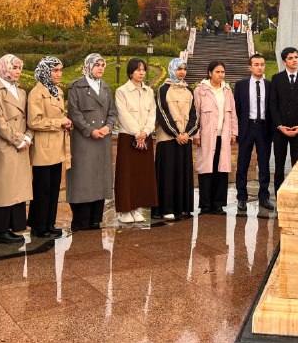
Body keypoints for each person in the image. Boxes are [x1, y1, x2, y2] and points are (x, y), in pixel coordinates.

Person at [0, 54, 32, 244]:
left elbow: (28, 118)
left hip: (21, 143)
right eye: (14, 68)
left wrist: (28, 136)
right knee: (2, 188)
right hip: (5, 145)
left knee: (16, 187)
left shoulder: (21, 91)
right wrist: (18, 139)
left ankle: (13, 225)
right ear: (4, 68)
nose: (18, 72)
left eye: (19, 68)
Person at [67, 53, 118, 231]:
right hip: (84, 140)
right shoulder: (76, 86)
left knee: (100, 178)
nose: (101, 68)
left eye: (103, 65)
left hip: (103, 139)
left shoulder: (105, 87)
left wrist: (108, 127)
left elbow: (112, 112)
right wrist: (90, 130)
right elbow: (74, 113)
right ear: (88, 66)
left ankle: (96, 219)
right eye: (97, 65)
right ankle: (81, 220)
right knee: (83, 178)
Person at [27, 57, 71, 237]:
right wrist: (59, 122)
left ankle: (50, 223)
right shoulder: (36, 93)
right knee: (42, 188)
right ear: (45, 71)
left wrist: (66, 123)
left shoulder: (58, 91)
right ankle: (39, 226)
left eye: (60, 70)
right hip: (44, 147)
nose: (59, 74)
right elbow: (34, 121)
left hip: (57, 146)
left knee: (53, 188)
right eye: (55, 70)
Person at [115, 58, 158, 223]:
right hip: (128, 137)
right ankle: (124, 210)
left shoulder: (149, 91)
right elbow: (123, 114)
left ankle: (138, 208)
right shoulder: (122, 91)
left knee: (143, 174)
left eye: (143, 69)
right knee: (127, 174)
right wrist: (137, 132)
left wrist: (146, 131)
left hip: (145, 137)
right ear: (130, 72)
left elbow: (152, 113)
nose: (141, 72)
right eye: (137, 69)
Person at [155, 58, 199, 219]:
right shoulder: (163, 89)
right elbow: (162, 113)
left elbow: (194, 115)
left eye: (184, 69)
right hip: (167, 138)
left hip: (184, 138)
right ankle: (166, 208)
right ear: (172, 70)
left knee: (182, 172)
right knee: (168, 174)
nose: (181, 72)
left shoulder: (189, 90)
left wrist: (187, 133)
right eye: (178, 69)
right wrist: (176, 133)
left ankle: (181, 207)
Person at [194, 60, 238, 214]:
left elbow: (233, 113)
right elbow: (196, 114)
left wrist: (234, 132)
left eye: (223, 72)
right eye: (218, 72)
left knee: (221, 170)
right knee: (206, 169)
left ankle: (218, 204)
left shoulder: (227, 90)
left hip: (223, 135)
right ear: (210, 73)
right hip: (206, 136)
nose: (221, 75)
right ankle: (205, 205)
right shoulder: (200, 90)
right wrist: (196, 133)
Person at [234, 54, 273, 212]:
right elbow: (236, 109)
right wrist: (236, 130)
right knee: (242, 164)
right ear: (249, 67)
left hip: (264, 128)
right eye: (256, 64)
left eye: (262, 64)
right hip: (247, 127)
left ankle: (264, 196)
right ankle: (241, 197)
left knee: (264, 164)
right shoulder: (241, 85)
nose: (260, 67)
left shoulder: (270, 85)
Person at [270, 47, 298, 191]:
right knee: (279, 163)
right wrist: (279, 126)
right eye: (290, 58)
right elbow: (272, 105)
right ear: (284, 61)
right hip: (280, 130)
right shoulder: (276, 79)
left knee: (297, 162)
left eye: (296, 57)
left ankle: (295, 192)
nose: (294, 60)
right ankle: (279, 193)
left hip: (297, 129)